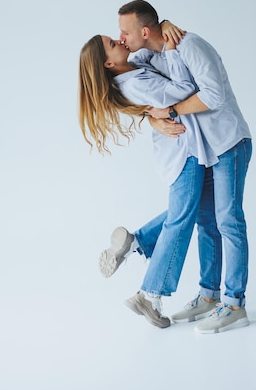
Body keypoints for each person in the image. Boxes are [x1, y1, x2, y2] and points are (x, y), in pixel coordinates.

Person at [118, 0, 252, 334]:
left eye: (125, 31)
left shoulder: (189, 45)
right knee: (206, 222)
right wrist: (153, 118)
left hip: (228, 143)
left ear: (144, 31)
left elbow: (213, 96)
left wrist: (172, 111)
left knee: (228, 221)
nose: (120, 38)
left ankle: (235, 304)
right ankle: (209, 296)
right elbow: (147, 91)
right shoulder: (155, 54)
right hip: (203, 150)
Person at [78, 28, 218, 329]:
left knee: (196, 212)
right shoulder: (137, 82)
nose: (121, 40)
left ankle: (135, 243)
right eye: (114, 44)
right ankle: (150, 293)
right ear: (108, 64)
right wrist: (169, 49)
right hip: (185, 151)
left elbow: (145, 48)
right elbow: (183, 88)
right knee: (183, 219)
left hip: (184, 149)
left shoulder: (134, 67)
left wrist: (164, 25)